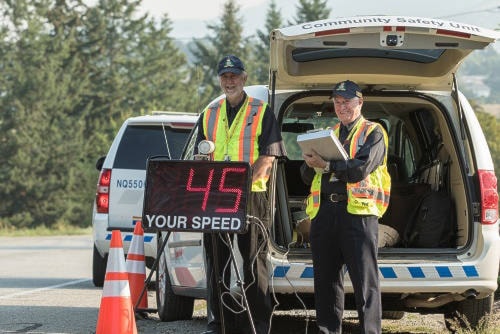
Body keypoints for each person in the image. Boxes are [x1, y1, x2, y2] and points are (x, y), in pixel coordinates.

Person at [195, 55, 286, 334]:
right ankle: (218, 322)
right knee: (216, 261)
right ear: (220, 80)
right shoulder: (209, 114)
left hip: (251, 196)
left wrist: (242, 188)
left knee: (252, 261)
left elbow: (268, 157)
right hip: (216, 198)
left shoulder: (261, 111)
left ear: (244, 78)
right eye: (225, 76)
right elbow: (202, 155)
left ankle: (256, 324)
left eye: (234, 75)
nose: (229, 80)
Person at [300, 80, 391, 334]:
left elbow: (361, 168)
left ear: (360, 103)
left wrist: (328, 166)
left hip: (358, 215)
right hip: (324, 215)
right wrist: (310, 163)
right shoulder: (326, 133)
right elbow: (307, 177)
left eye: (347, 102)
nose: (342, 107)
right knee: (326, 282)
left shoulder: (373, 132)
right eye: (338, 102)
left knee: (365, 283)